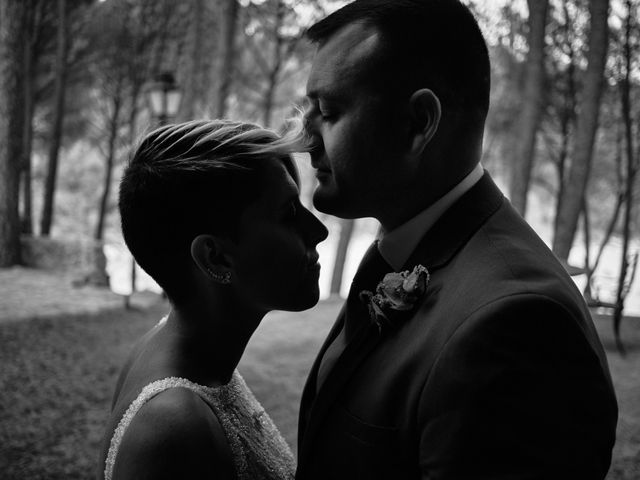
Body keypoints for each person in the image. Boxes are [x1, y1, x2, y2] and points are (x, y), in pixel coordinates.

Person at [297, 1, 618, 479]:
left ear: (419, 122)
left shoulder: (518, 326)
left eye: (328, 111)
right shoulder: (405, 248)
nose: (305, 139)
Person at [97, 119, 328, 480]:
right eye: (287, 214)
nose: (319, 231)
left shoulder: (177, 348)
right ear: (215, 257)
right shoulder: (174, 427)